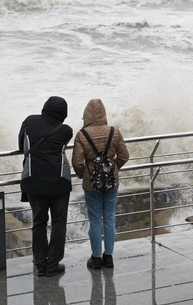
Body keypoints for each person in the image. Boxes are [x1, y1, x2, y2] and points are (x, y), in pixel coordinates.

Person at [19, 96, 74, 277]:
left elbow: (22, 146)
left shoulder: (29, 122)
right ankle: (53, 264)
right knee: (58, 224)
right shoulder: (66, 131)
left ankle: (40, 264)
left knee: (39, 222)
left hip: (33, 181)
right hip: (59, 183)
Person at [72, 99, 129, 270]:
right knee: (110, 218)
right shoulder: (114, 131)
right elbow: (124, 155)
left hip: (92, 184)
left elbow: (77, 162)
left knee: (95, 220)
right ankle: (109, 257)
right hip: (112, 181)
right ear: (104, 113)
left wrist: (85, 175)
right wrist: (113, 169)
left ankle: (96, 258)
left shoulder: (82, 135)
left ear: (86, 114)